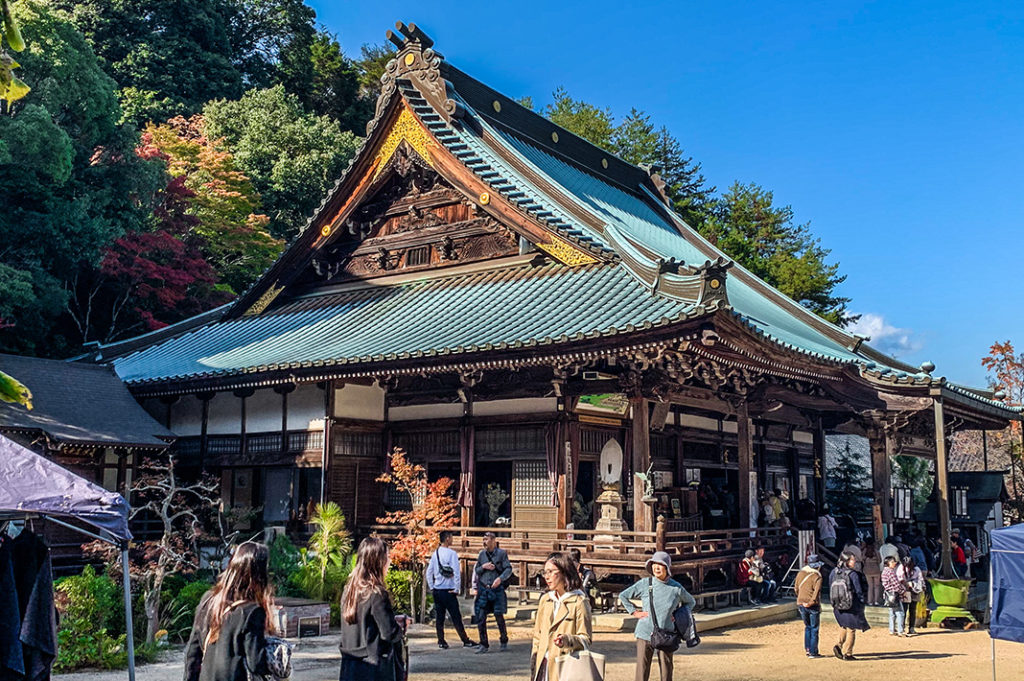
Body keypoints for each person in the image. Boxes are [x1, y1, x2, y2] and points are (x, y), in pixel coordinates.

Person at [184, 542, 274, 681]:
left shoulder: (209, 600)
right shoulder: (252, 612)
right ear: (259, 574)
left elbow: (192, 653)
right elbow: (256, 664)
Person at [339, 537, 410, 681]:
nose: (389, 563)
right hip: (373, 668)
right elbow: (389, 633)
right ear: (378, 561)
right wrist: (401, 627)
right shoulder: (377, 593)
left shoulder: (349, 590)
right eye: (387, 558)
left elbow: (362, 623)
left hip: (350, 665)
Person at [619, 551, 696, 681]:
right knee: (641, 672)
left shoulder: (676, 588)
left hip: (666, 634)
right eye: (654, 564)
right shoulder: (645, 583)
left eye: (660, 564)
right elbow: (623, 595)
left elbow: (691, 602)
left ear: (667, 567)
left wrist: (678, 615)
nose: (657, 567)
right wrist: (634, 612)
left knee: (667, 672)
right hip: (645, 633)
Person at [529, 552, 593, 681]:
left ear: (564, 572)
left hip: (565, 667)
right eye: (545, 572)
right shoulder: (546, 600)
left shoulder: (579, 602)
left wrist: (567, 640)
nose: (547, 577)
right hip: (543, 665)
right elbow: (537, 636)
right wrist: (534, 663)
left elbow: (586, 639)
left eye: (551, 572)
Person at [425, 530, 475, 650]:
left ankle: (441, 641)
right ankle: (465, 640)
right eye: (451, 537)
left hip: (437, 589)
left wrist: (432, 586)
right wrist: (457, 588)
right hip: (449, 590)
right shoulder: (451, 554)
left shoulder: (435, 553)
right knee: (456, 616)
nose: (452, 540)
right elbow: (456, 572)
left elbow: (429, 572)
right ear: (447, 539)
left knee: (439, 617)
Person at [473, 532, 512, 653]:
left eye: (487, 539)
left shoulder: (501, 554)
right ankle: (483, 643)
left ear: (493, 541)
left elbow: (508, 568)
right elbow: (477, 570)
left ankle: (504, 639)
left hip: (496, 588)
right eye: (483, 539)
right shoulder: (481, 554)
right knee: (481, 616)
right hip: (484, 588)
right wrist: (483, 566)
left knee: (498, 615)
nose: (485, 542)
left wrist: (500, 579)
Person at [830, 550, 869, 661]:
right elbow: (858, 591)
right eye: (852, 559)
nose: (854, 561)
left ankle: (838, 645)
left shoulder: (834, 572)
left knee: (843, 626)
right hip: (851, 605)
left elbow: (830, 585)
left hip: (838, 605)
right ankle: (848, 653)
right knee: (851, 629)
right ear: (846, 561)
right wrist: (861, 602)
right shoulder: (853, 574)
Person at [794, 554, 824, 658]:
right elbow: (816, 592)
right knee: (814, 628)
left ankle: (807, 649)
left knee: (807, 627)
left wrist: (801, 598)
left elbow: (796, 588)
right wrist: (811, 602)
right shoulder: (817, 576)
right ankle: (813, 651)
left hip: (801, 602)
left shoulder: (800, 573)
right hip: (812, 605)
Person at [898, 555, 925, 636]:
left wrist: (918, 586)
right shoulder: (901, 568)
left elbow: (921, 579)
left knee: (912, 610)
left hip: (915, 591)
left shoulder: (916, 569)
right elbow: (899, 578)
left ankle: (911, 628)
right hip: (905, 591)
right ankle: (901, 628)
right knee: (904, 610)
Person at [881, 555, 907, 636]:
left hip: (888, 594)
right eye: (892, 562)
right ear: (888, 563)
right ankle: (900, 631)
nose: (894, 563)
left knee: (892, 613)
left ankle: (892, 630)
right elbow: (896, 584)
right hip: (894, 594)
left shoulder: (884, 571)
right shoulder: (890, 572)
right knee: (900, 613)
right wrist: (903, 591)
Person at [861, 536, 882, 606]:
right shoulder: (875, 550)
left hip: (867, 570)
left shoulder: (864, 551)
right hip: (876, 570)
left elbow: (862, 559)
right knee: (877, 586)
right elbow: (880, 560)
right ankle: (876, 601)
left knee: (870, 586)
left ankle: (869, 601)